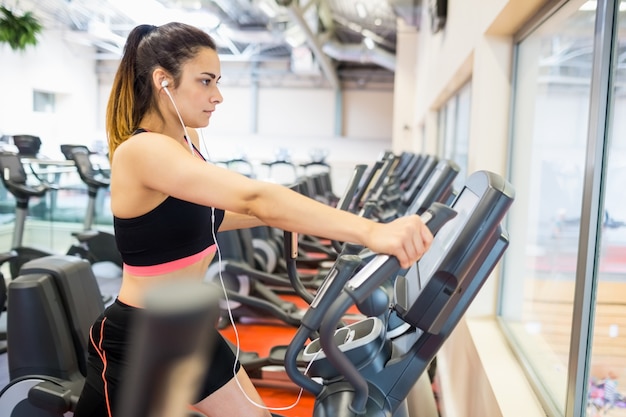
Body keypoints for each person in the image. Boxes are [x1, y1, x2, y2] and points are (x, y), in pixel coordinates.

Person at [73, 22, 433, 417]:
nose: (218, 96)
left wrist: (288, 219)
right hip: (139, 339)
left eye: (218, 82)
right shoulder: (141, 151)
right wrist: (372, 232)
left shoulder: (184, 146)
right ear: (164, 81)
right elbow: (254, 196)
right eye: (206, 81)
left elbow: (211, 216)